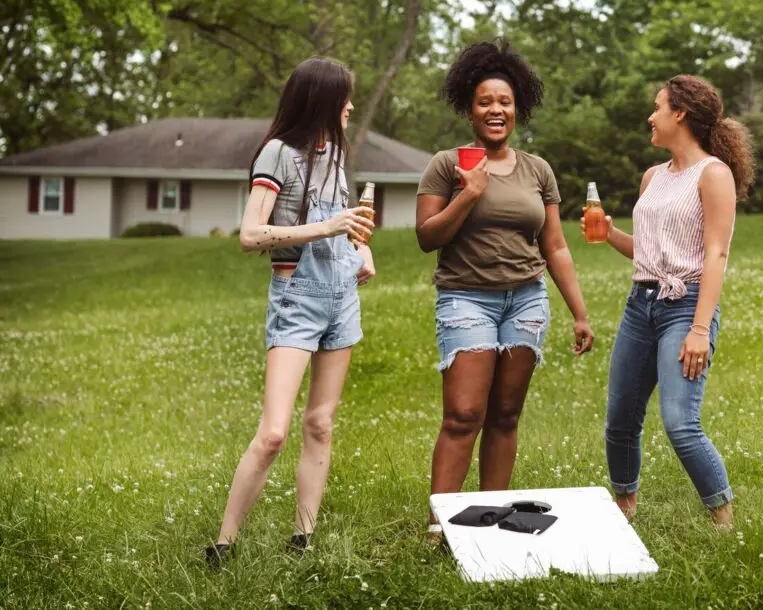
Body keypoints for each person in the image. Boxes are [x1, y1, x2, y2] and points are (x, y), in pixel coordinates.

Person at [416, 40, 594, 539]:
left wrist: (579, 312)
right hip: (465, 297)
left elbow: (555, 246)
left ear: (518, 109)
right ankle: (442, 524)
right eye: (485, 102)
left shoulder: (537, 170)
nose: (496, 110)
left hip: (527, 299)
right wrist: (468, 194)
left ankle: (489, 521)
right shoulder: (446, 165)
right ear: (469, 110)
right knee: (463, 414)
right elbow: (427, 237)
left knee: (506, 413)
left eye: (505, 102)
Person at [206, 57, 376, 567]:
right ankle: (223, 543)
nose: (350, 106)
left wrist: (363, 249)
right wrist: (328, 230)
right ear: (320, 100)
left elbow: (344, 223)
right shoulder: (277, 155)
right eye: (343, 96)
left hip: (341, 298)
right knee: (274, 432)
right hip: (296, 297)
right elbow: (251, 235)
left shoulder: (337, 157)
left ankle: (303, 537)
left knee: (321, 423)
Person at [595, 74, 754, 529]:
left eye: (657, 106)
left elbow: (715, 254)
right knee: (620, 419)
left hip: (684, 309)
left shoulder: (713, 174)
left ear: (679, 113)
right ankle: (625, 512)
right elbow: (647, 252)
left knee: (680, 423)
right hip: (639, 306)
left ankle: (723, 519)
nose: (651, 115)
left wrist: (700, 329)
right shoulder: (653, 176)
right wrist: (609, 235)